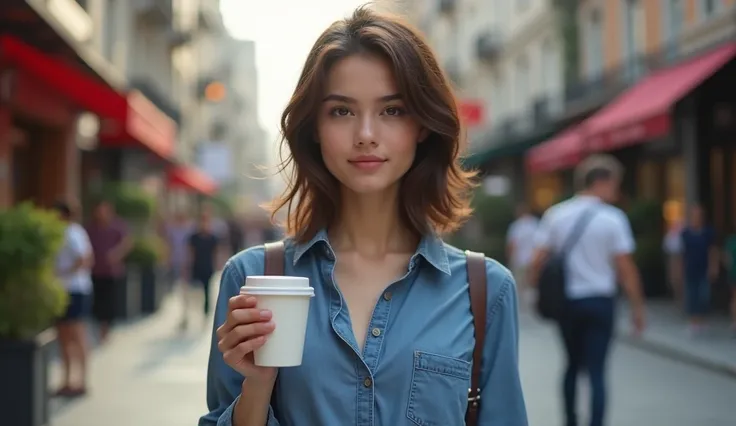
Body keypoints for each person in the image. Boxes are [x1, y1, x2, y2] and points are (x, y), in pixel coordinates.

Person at [200, 7, 527, 426]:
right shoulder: (254, 278)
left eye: (392, 110)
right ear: (314, 126)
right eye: (342, 111)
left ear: (422, 125)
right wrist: (258, 384)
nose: (366, 134)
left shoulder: (484, 291)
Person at [529, 154, 645, 426]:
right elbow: (626, 269)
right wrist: (638, 307)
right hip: (600, 301)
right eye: (615, 184)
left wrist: (535, 292)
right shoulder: (613, 219)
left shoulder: (557, 214)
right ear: (602, 182)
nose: (616, 191)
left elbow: (537, 260)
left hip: (568, 302)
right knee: (596, 370)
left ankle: (570, 420)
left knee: (570, 365)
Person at [52, 201, 94, 397]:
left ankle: (82, 381)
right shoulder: (62, 232)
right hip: (64, 290)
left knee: (77, 335)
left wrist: (63, 273)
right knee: (64, 337)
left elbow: (84, 258)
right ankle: (67, 380)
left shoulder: (73, 233)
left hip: (76, 290)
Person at [85, 200, 132, 343]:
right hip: (95, 271)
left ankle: (106, 329)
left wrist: (117, 254)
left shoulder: (117, 226)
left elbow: (127, 243)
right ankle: (98, 327)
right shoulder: (91, 228)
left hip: (112, 272)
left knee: (110, 302)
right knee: (97, 301)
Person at [680, 204, 718, 336]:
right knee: (692, 295)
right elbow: (683, 253)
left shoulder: (708, 233)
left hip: (704, 268)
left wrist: (713, 267)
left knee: (703, 295)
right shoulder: (686, 233)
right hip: (691, 269)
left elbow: (712, 251)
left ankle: (702, 321)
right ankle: (693, 322)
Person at [187, 212, 224, 323]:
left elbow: (217, 252)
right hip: (196, 266)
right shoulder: (194, 237)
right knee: (194, 291)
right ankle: (192, 313)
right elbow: (191, 253)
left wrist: (218, 264)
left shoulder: (213, 237)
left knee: (207, 290)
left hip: (207, 266)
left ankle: (206, 312)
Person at [506, 204, 539, 308]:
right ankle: (530, 302)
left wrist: (509, 257)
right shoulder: (536, 224)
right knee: (531, 282)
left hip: (519, 259)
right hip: (533, 258)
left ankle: (521, 303)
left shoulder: (516, 226)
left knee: (520, 283)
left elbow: (512, 244)